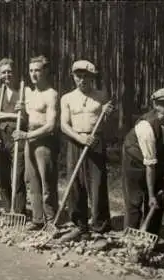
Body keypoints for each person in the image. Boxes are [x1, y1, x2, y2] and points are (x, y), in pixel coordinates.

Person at [60, 60, 114, 241]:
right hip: (75, 142)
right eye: (78, 76)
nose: (82, 80)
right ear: (73, 77)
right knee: (76, 184)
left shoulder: (101, 96)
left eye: (86, 77)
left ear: (92, 78)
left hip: (95, 141)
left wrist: (107, 114)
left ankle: (100, 226)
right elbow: (63, 125)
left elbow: (106, 125)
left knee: (97, 184)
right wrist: (79, 138)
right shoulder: (67, 98)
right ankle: (79, 225)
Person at [122, 88, 164, 235]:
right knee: (134, 201)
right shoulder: (146, 127)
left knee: (158, 201)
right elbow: (150, 165)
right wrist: (151, 195)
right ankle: (130, 238)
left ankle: (150, 237)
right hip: (134, 161)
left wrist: (161, 183)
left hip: (156, 158)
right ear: (155, 104)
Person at [11, 56, 59, 230]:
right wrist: (21, 111)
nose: (33, 74)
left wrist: (26, 135)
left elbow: (51, 125)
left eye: (37, 70)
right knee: (32, 181)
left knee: (47, 182)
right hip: (30, 139)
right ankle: (38, 219)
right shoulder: (29, 93)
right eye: (31, 70)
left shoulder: (51, 94)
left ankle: (52, 220)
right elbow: (27, 118)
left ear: (45, 71)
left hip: (44, 142)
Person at [0, 58, 27, 215]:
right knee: (2, 177)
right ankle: (7, 208)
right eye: (4, 72)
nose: (7, 75)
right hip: (0, 138)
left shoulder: (23, 92)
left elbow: (25, 119)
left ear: (14, 73)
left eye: (9, 71)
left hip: (17, 138)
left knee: (18, 176)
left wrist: (9, 114)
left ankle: (18, 211)